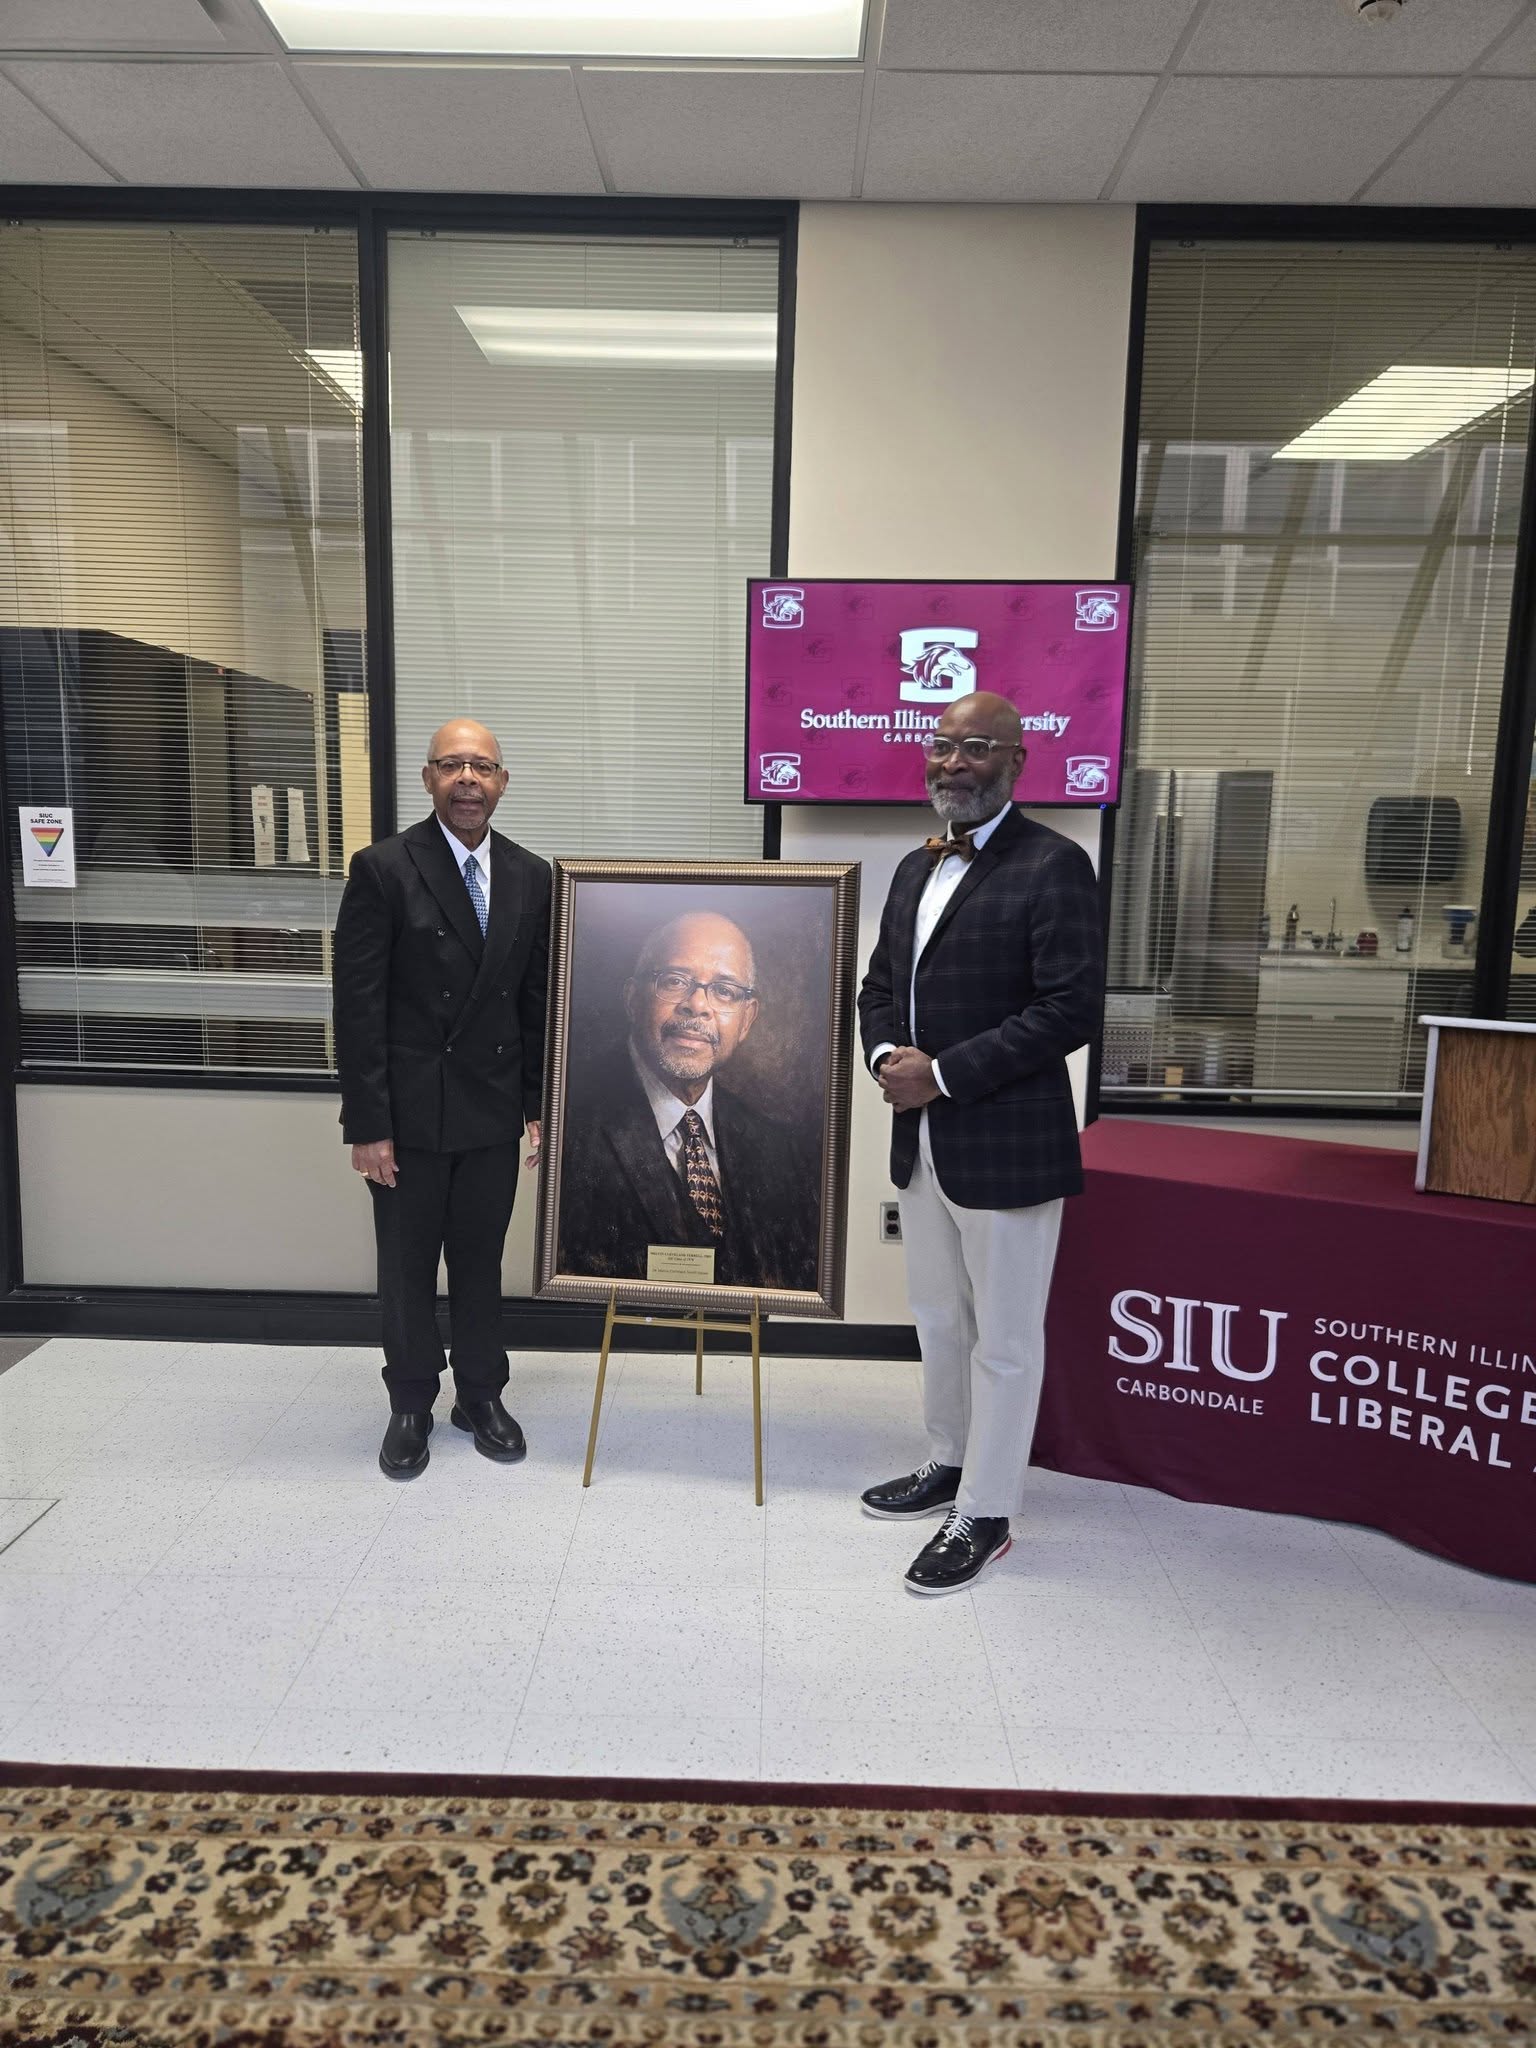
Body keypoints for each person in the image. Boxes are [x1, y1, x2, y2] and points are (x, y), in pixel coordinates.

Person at [858, 690, 1103, 1594]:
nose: (954, 763)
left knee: (1004, 1340)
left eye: (977, 747)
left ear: (1016, 761)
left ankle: (989, 1510)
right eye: (942, 745)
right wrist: (886, 1055)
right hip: (920, 1142)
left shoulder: (1055, 864)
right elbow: (879, 989)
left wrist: (945, 1073)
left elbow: (1069, 1009)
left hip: (1006, 1147)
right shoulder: (914, 867)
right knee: (939, 1318)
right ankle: (950, 1460)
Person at [332, 719, 550, 1480]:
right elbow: (358, 1007)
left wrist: (539, 1105)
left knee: (482, 1263)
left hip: (492, 1111)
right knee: (407, 1268)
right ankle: (412, 1403)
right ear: (428, 778)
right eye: (452, 765)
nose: (467, 780)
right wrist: (367, 1124)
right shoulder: (384, 868)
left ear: (502, 783)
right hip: (408, 1115)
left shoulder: (531, 875)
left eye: (482, 767)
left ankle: (481, 1395)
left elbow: (536, 1002)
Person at [557, 910, 818, 1292]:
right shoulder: (568, 1122)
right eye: (675, 981)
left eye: (724, 990)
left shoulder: (777, 1150)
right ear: (632, 998)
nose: (697, 1005)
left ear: (747, 1019)